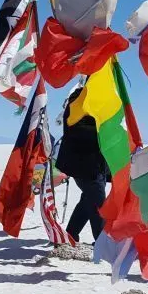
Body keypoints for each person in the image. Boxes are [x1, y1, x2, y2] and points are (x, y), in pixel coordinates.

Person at [55, 88, 109, 245]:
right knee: (99, 204)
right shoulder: (79, 98)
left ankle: (70, 235)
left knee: (88, 200)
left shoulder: (98, 98)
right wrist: (103, 131)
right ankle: (102, 243)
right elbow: (77, 130)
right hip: (84, 164)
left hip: (95, 164)